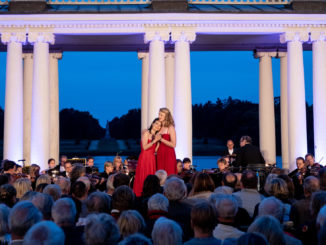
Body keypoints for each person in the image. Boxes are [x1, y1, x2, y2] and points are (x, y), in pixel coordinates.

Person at [133, 118, 162, 197]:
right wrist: (154, 141)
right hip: (145, 158)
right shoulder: (146, 133)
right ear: (152, 124)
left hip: (152, 159)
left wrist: (158, 143)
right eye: (156, 123)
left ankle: (150, 194)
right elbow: (144, 147)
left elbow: (154, 151)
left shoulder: (155, 136)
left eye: (160, 125)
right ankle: (140, 195)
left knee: (151, 176)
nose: (157, 126)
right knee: (143, 176)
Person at [157, 108, 177, 175]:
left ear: (166, 116)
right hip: (160, 153)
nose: (159, 116)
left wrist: (161, 139)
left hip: (168, 154)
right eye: (159, 114)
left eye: (161, 115)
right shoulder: (159, 127)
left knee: (168, 174)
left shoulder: (170, 127)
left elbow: (173, 144)